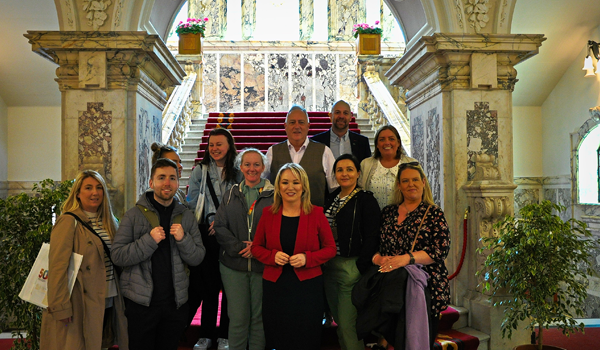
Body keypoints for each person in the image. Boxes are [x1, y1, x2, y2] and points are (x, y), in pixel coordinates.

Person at [112, 159, 205, 350]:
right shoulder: (133, 215)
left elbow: (197, 257)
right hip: (141, 305)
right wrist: (148, 240)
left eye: (172, 178)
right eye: (161, 178)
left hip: (174, 304)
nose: (167, 183)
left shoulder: (185, 216)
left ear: (178, 183)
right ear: (151, 182)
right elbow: (118, 255)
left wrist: (183, 239)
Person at [251, 163, 336, 350]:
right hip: (276, 286)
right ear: (278, 187)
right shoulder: (267, 213)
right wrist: (272, 256)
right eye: (285, 182)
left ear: (304, 186)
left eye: (296, 182)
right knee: (278, 335)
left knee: (306, 336)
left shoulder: (316, 213)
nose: (290, 187)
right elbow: (256, 248)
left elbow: (330, 249)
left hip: (307, 287)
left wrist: (308, 258)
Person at [41, 170, 128, 350]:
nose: (94, 193)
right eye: (88, 188)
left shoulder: (110, 222)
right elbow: (57, 267)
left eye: (98, 188)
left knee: (101, 344)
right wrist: (61, 306)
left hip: (109, 297)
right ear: (78, 193)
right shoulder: (68, 221)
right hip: (80, 302)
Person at [371, 161, 450, 349]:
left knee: (416, 336)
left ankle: (386, 340)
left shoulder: (434, 213)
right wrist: (379, 259)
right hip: (390, 283)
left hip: (425, 283)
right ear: (399, 185)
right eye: (405, 181)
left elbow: (440, 250)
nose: (410, 184)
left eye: (415, 180)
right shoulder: (388, 213)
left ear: (423, 182)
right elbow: (376, 247)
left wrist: (406, 258)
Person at [214, 148, 274, 350]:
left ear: (263, 167)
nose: (252, 168)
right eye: (247, 164)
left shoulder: (275, 195)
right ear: (240, 167)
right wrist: (239, 247)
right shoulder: (231, 193)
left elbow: (279, 229)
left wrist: (258, 248)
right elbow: (220, 226)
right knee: (238, 318)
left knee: (259, 319)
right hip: (233, 266)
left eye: (257, 164)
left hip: (262, 266)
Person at [187, 128, 242, 350]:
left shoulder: (238, 172)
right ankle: (206, 334)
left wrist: (221, 222)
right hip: (205, 234)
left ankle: (225, 335)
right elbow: (192, 202)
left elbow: (240, 202)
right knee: (208, 286)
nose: (215, 148)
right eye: (211, 145)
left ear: (229, 146)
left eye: (219, 144)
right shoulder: (200, 170)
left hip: (229, 234)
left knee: (229, 287)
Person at [323, 154, 381, 350]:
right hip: (329, 266)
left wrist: (360, 265)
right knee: (339, 321)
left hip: (350, 267)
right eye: (339, 170)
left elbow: (373, 236)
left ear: (358, 173)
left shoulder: (365, 200)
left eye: (349, 169)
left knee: (348, 324)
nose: (344, 173)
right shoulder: (330, 198)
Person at [263, 104, 337, 207]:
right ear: (285, 126)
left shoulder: (324, 151)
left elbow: (334, 187)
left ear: (308, 126)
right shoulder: (272, 152)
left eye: (301, 122)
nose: (297, 126)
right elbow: (263, 185)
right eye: (292, 122)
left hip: (313, 218)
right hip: (281, 216)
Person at [358, 125, 416, 209]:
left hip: (404, 217)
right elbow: (360, 193)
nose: (387, 143)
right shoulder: (366, 164)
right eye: (382, 140)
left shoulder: (411, 163)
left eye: (391, 139)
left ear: (398, 143)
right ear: (377, 144)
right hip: (373, 218)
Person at [151, 141, 187, 207]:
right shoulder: (156, 195)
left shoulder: (179, 193)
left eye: (180, 162)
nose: (180, 166)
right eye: (174, 162)